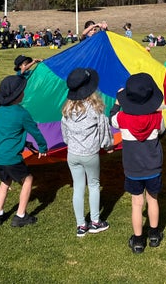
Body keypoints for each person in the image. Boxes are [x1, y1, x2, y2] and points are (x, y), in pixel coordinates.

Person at [110, 73, 166, 254]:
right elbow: (162, 132)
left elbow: (111, 117)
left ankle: (138, 241)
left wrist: (118, 103)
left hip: (133, 168)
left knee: (137, 203)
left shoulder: (122, 119)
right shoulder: (158, 118)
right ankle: (154, 235)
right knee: (153, 199)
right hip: (153, 166)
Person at [61, 68, 114, 237]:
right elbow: (104, 129)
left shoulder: (67, 111)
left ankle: (81, 225)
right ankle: (96, 222)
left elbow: (65, 134)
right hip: (90, 154)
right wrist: (108, 145)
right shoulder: (95, 110)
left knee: (78, 187)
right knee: (93, 185)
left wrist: (72, 143)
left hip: (73, 154)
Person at [0, 75, 48, 227]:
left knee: (5, 181)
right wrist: (42, 147)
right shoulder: (22, 113)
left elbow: (8, 133)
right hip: (11, 158)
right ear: (18, 95)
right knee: (27, 179)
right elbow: (35, 131)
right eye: (22, 91)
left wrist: (24, 142)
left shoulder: (0, 112)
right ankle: (21, 215)